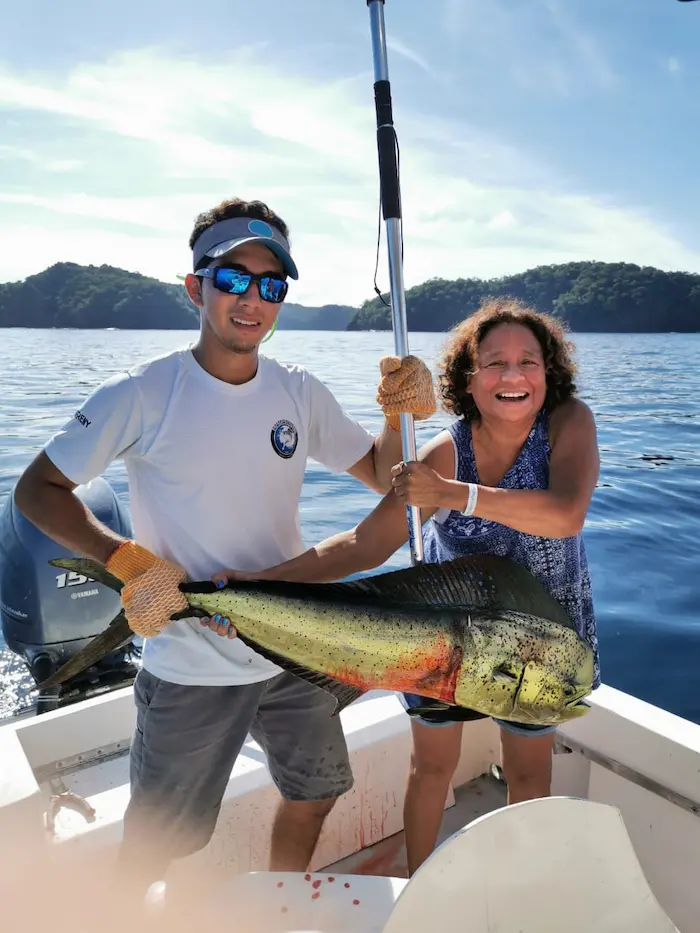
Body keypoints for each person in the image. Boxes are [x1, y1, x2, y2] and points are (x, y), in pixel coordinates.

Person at [13, 196, 437, 891]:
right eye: (232, 278)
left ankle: (275, 903)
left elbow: (381, 477)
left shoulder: (298, 392)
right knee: (159, 839)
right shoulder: (145, 392)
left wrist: (398, 412)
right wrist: (127, 560)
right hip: (189, 662)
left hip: (289, 644)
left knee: (316, 789)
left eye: (271, 285)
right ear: (195, 288)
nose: (252, 299)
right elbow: (36, 490)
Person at [207, 296, 601, 877]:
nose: (513, 375)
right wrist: (258, 582)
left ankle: (526, 886)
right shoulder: (442, 453)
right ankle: (420, 888)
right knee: (432, 770)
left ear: (550, 373)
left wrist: (451, 495)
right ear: (468, 379)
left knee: (527, 774)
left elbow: (566, 514)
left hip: (537, 647)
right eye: (494, 362)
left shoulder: (568, 422)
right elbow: (365, 546)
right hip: (442, 640)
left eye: (529, 362)